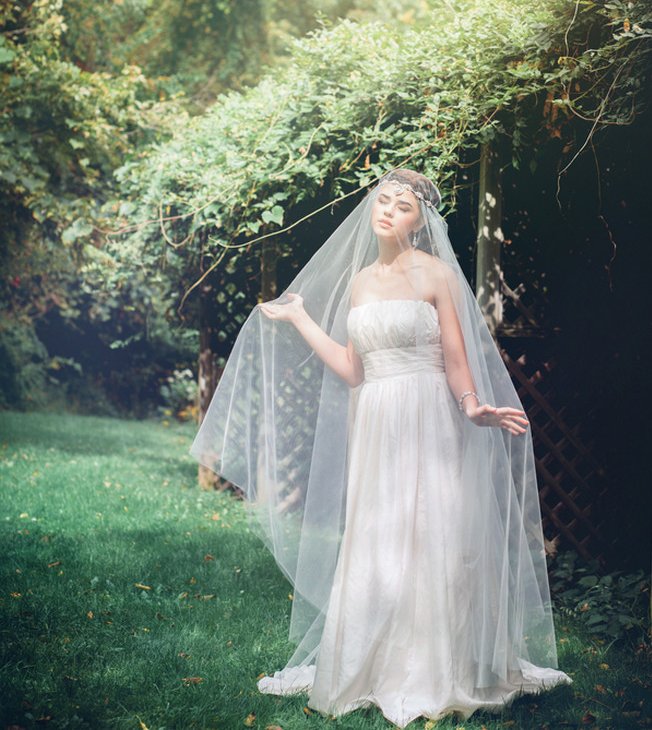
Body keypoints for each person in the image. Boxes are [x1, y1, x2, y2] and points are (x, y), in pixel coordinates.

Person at [190, 169, 571, 727]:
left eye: (403, 205)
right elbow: (351, 368)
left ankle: (439, 665)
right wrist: (298, 317)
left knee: (432, 531)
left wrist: (472, 405)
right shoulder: (362, 281)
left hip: (430, 417)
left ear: (422, 222)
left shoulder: (436, 274)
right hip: (377, 421)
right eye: (383, 200)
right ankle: (373, 661)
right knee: (380, 538)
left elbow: (457, 361)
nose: (389, 210)